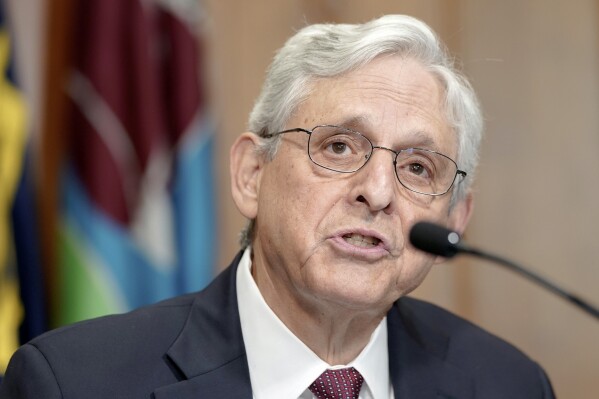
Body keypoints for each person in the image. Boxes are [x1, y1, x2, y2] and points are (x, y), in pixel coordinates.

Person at [0, 14, 555, 399]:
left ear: (454, 220)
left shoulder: (508, 386)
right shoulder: (75, 384)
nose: (378, 192)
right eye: (339, 146)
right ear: (251, 174)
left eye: (417, 168)